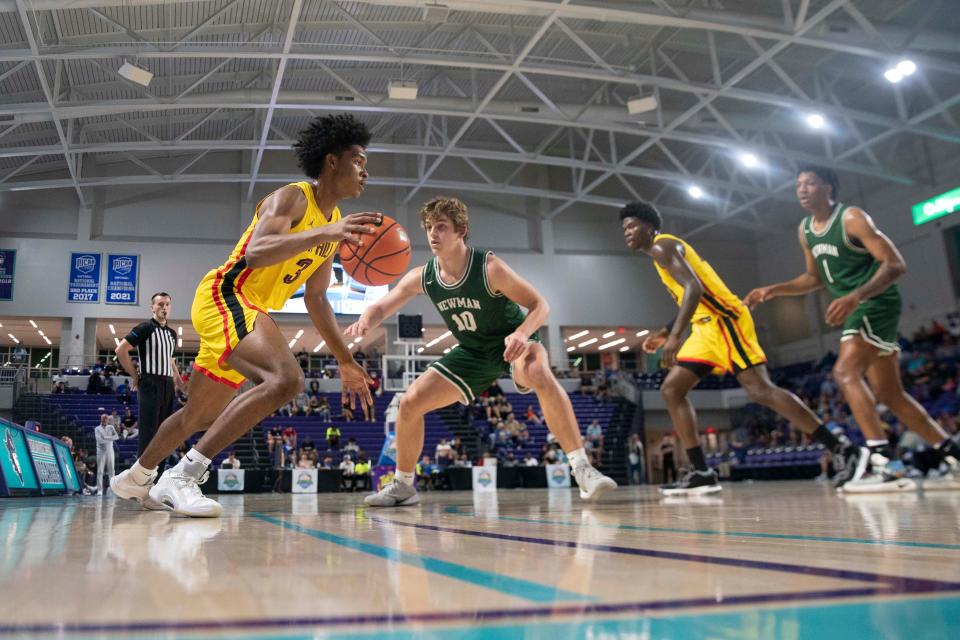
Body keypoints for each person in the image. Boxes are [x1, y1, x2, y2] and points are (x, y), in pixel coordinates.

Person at [111, 114, 380, 516]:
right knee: (286, 380)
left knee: (195, 416)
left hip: (244, 309)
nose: (365, 171)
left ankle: (134, 478)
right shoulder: (294, 198)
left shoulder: (331, 229)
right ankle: (183, 476)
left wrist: (345, 359)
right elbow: (256, 251)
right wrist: (325, 234)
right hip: (227, 295)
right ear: (332, 161)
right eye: (358, 159)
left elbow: (318, 299)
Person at [351, 196, 616, 507]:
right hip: (473, 352)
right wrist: (367, 319)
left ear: (461, 230)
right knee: (409, 404)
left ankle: (583, 470)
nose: (433, 234)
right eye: (428, 228)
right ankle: (403, 486)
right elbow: (384, 304)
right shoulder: (425, 275)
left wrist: (521, 333)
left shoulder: (489, 268)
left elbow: (540, 305)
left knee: (538, 371)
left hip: (512, 344)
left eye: (441, 227)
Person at [621, 200, 862, 496]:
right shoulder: (660, 254)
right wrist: (665, 331)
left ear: (649, 227)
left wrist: (675, 337)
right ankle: (701, 472)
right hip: (706, 326)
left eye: (632, 226)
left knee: (760, 391)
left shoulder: (663, 247)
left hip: (725, 321)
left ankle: (841, 447)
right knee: (672, 390)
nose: (627, 233)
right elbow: (696, 295)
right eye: (624, 228)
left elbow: (694, 289)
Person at [744, 166, 960, 491]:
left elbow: (895, 264)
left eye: (810, 183)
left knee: (844, 373)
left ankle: (885, 462)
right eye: (798, 184)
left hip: (876, 302)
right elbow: (814, 279)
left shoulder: (852, 218)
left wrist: (856, 295)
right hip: (859, 307)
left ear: (828, 187)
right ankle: (952, 452)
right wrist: (775, 290)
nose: (802, 189)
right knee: (889, 393)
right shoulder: (805, 230)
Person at [115, 292, 188, 485]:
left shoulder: (172, 334)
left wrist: (179, 381)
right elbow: (120, 349)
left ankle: (157, 481)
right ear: (152, 307)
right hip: (150, 382)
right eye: (160, 304)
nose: (164, 307)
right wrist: (135, 376)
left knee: (164, 432)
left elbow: (170, 359)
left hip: (167, 386)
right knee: (148, 433)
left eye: (167, 304)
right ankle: (141, 482)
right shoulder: (145, 327)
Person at [94, 414, 118, 496]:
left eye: (105, 419)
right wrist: (109, 438)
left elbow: (116, 437)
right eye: (103, 419)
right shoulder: (97, 429)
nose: (104, 421)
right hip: (101, 452)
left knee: (111, 471)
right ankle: (99, 490)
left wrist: (106, 437)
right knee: (100, 471)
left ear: (107, 420)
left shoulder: (111, 427)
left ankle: (112, 489)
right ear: (101, 420)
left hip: (110, 451)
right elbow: (99, 440)